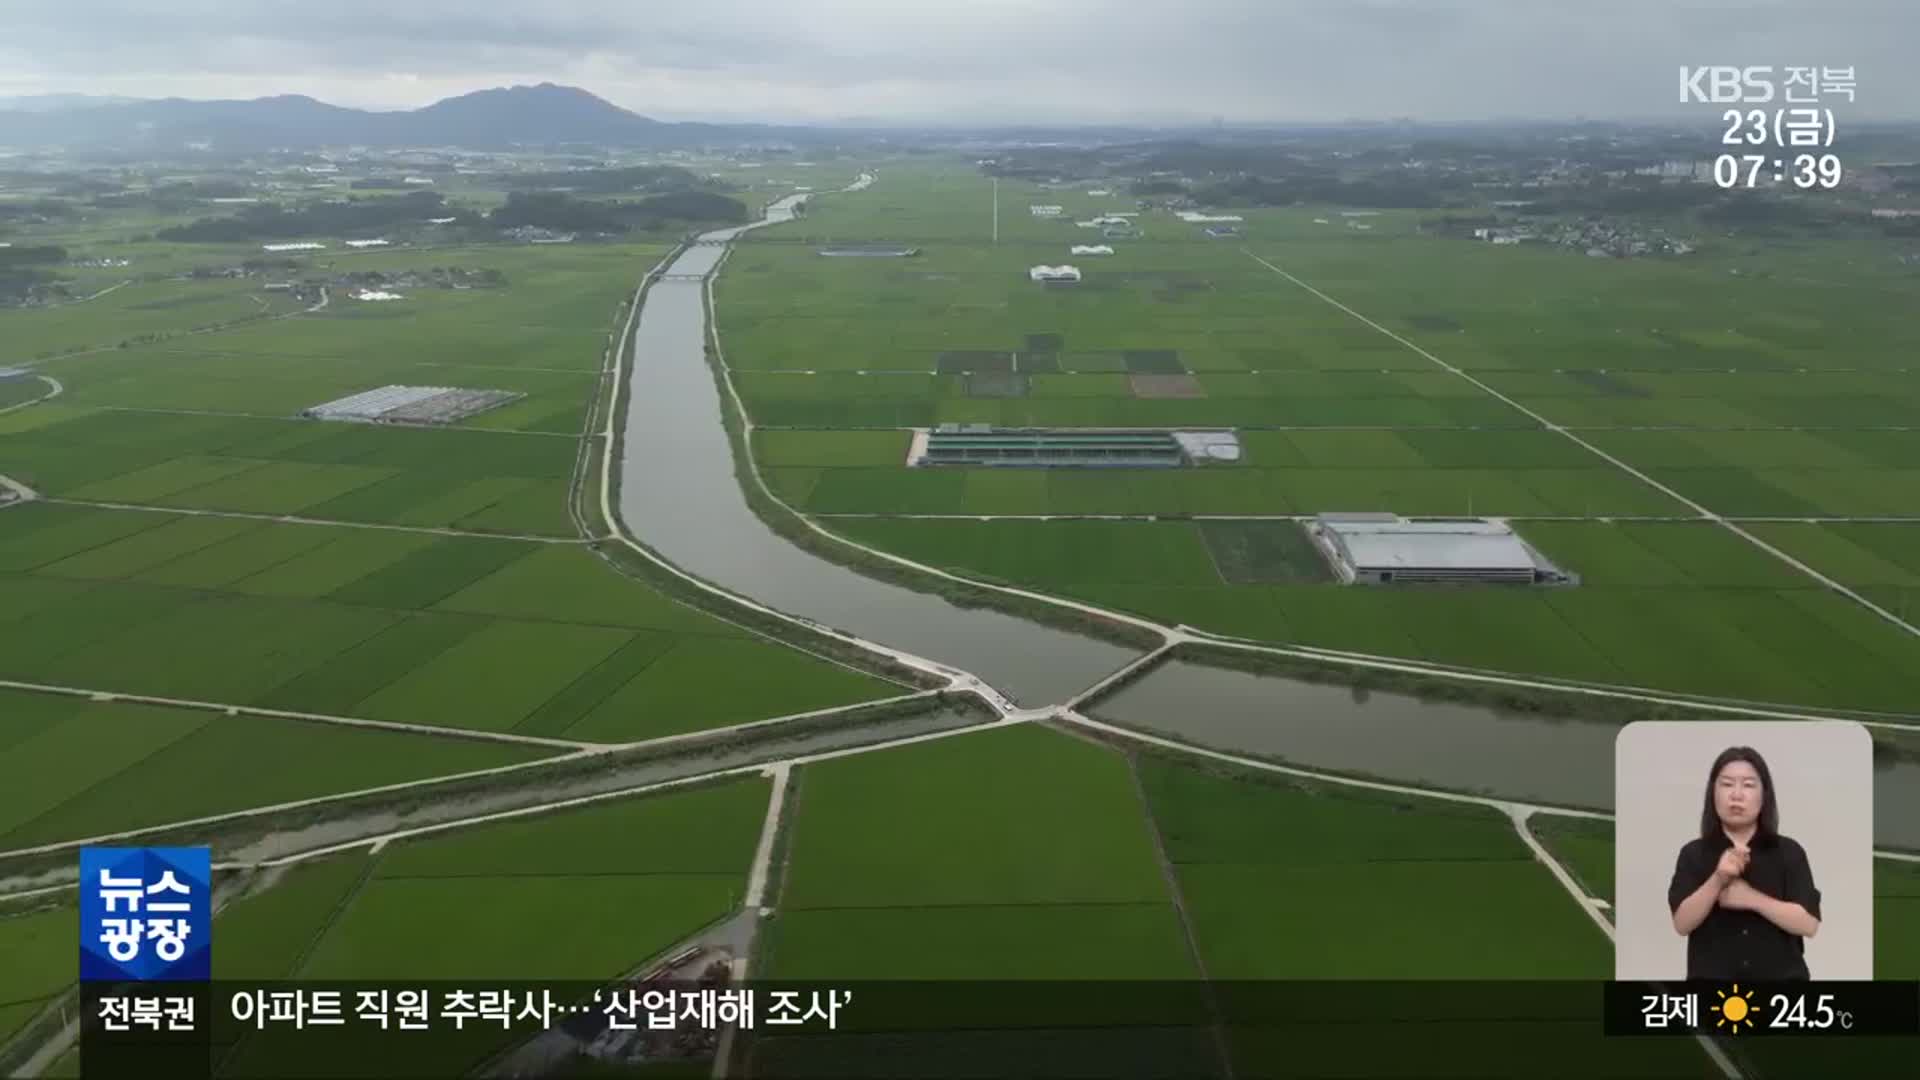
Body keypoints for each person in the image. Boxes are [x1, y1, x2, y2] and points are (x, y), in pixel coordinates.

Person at [1668, 746, 1822, 979]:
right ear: (1713, 792)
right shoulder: (1693, 853)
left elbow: (1808, 924)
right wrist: (1718, 879)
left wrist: (1751, 898)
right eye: (1727, 784)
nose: (1737, 795)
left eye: (1748, 785)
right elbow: (1682, 923)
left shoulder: (1789, 852)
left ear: (1764, 794)